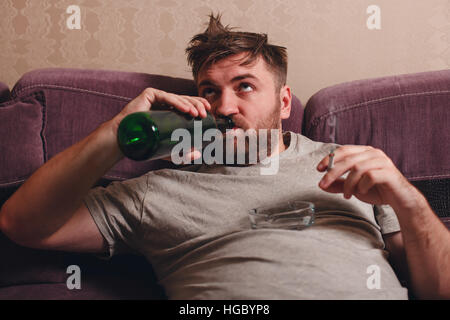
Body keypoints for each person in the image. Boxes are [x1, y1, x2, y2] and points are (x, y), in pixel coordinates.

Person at [0, 14, 449, 300]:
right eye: (209, 91)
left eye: (245, 86)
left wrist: (408, 201)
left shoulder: (351, 164)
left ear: (285, 102)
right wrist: (116, 133)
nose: (224, 107)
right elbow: (23, 225)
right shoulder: (158, 189)